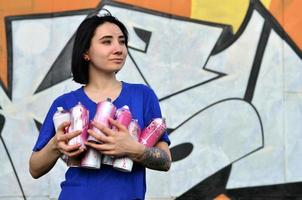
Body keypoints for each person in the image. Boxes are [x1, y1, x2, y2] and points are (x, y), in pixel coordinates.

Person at [29, 13, 171, 200]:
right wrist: (56, 145)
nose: (118, 49)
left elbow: (165, 161)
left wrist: (133, 149)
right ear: (86, 52)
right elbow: (35, 169)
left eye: (122, 42)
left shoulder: (143, 95)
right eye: (106, 42)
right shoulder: (64, 104)